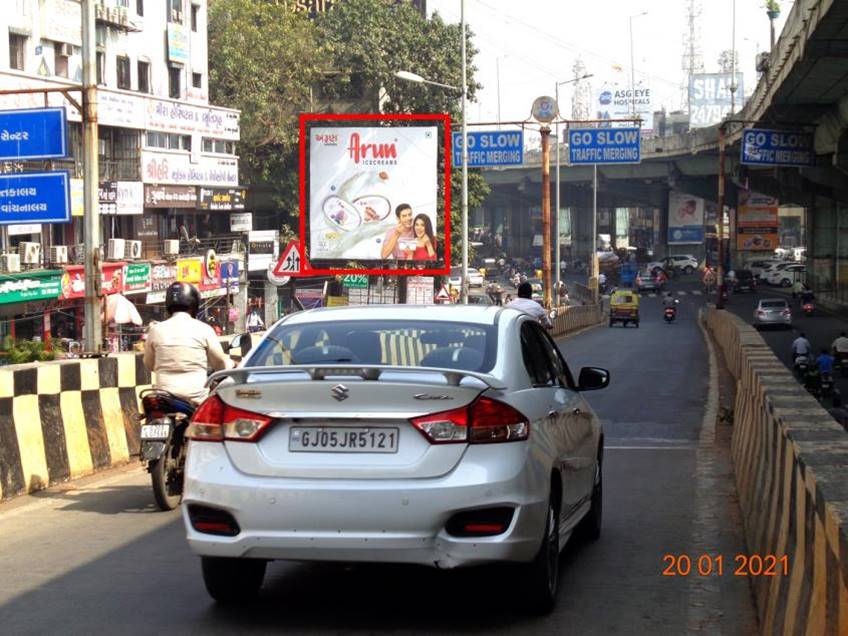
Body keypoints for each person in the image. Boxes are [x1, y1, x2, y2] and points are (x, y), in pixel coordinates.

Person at [143, 282, 233, 404]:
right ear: (194, 304)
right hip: (195, 399)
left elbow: (149, 364)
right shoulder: (204, 329)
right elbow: (220, 363)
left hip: (164, 397)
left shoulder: (155, 330)